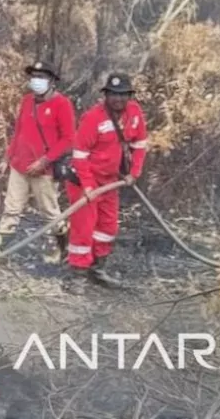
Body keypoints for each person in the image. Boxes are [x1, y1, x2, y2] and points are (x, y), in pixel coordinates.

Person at [64, 73, 148, 290]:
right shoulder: (93, 118)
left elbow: (140, 144)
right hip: (85, 182)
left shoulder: (135, 113)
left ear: (129, 96)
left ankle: (97, 268)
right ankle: (78, 276)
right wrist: (89, 187)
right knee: (83, 228)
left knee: (107, 227)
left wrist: (134, 172)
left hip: (111, 182)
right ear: (106, 95)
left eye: (122, 95)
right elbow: (80, 154)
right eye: (113, 94)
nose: (118, 99)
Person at [0, 61, 75, 264]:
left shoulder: (62, 104)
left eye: (41, 77)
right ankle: (2, 253)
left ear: (52, 81)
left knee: (50, 213)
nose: (36, 81)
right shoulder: (26, 101)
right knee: (11, 209)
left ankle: (62, 250)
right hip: (19, 165)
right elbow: (18, 133)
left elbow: (68, 139)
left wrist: (44, 161)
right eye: (34, 76)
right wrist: (7, 158)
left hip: (44, 170)